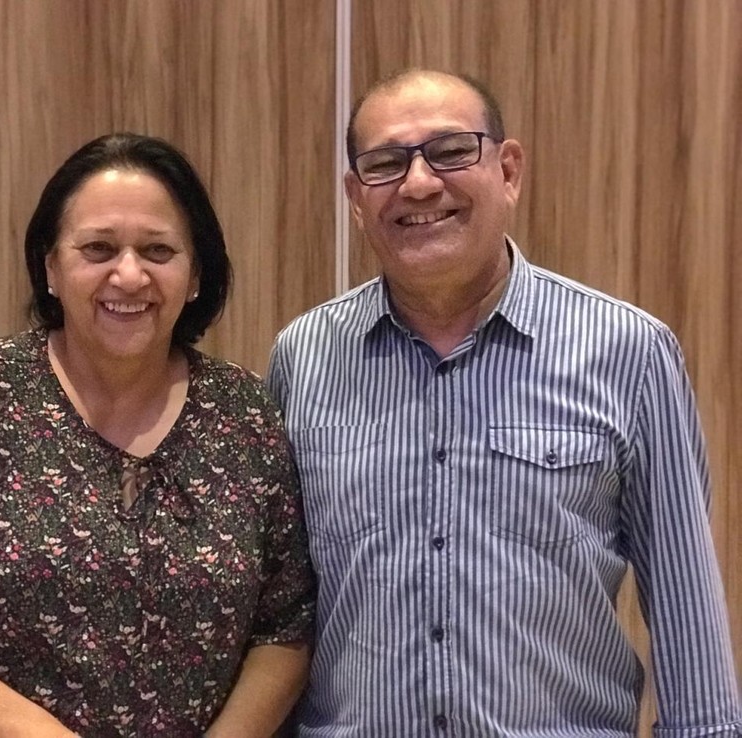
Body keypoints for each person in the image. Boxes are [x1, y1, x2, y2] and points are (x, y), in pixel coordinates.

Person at [267, 69, 740, 736]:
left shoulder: (629, 352)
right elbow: (282, 611)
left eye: (451, 151)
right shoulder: (305, 358)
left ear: (508, 169)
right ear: (355, 196)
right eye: (385, 163)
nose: (419, 183)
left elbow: (687, 608)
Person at [0, 132, 315, 738]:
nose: (129, 275)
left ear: (195, 275)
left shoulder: (242, 411)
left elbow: (285, 625)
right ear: (51, 268)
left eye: (159, 250)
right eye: (98, 248)